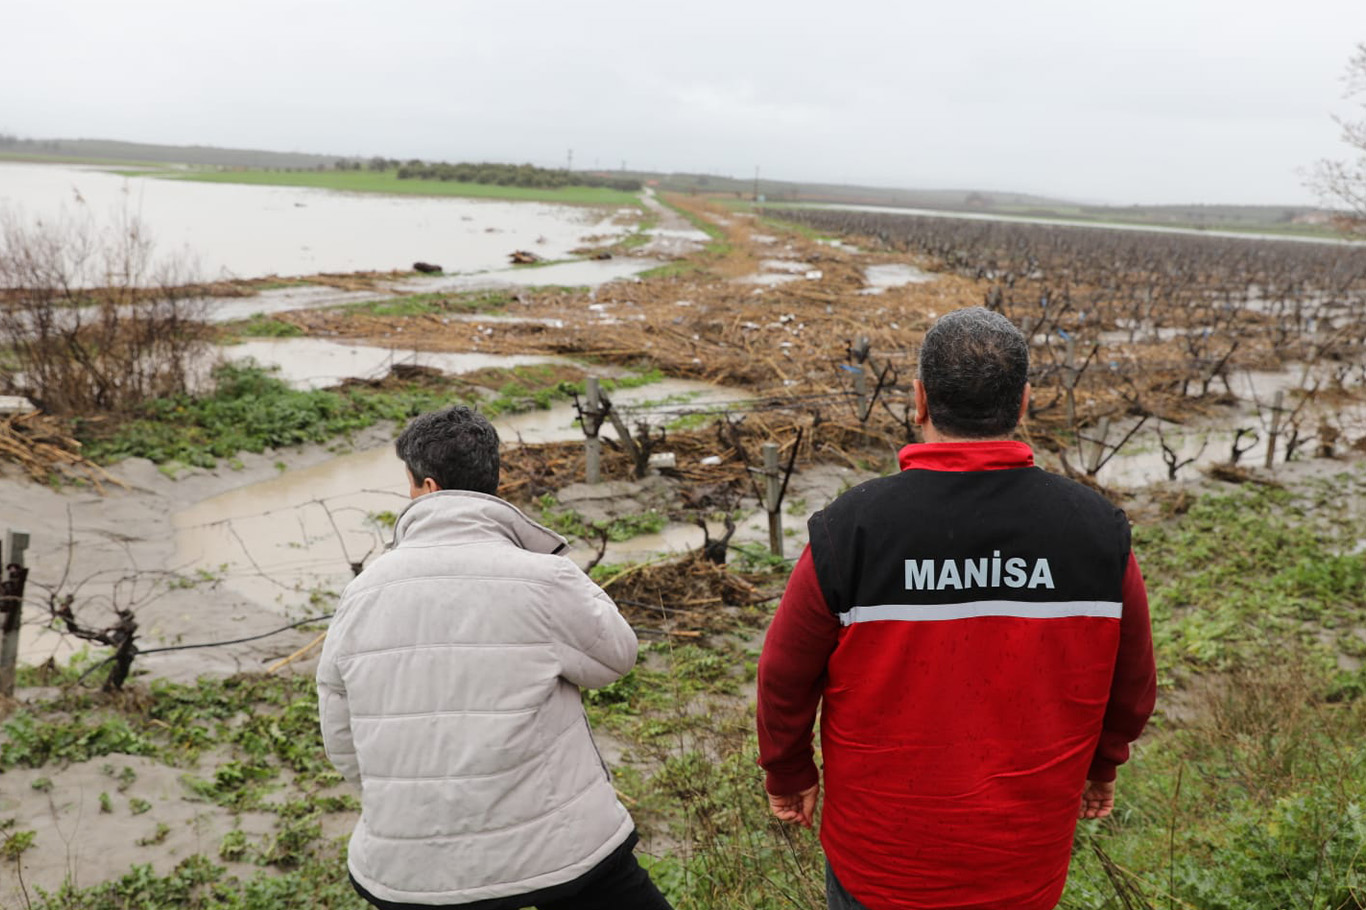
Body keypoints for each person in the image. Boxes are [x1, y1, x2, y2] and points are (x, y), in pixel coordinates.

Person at [756, 307, 1156, 910]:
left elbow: (784, 675)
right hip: (1023, 865)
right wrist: (1104, 763)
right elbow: (1134, 684)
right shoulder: (1098, 532)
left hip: (878, 867)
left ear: (919, 400)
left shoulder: (850, 529)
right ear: (1024, 403)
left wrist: (788, 772)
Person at [317, 405, 672, 910]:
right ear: (492, 480)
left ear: (428, 487)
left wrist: (401, 797)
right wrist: (559, 570)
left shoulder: (361, 592)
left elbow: (340, 730)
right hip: (557, 848)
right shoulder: (542, 577)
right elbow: (617, 658)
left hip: (412, 865)